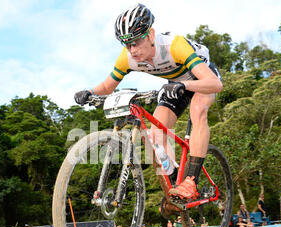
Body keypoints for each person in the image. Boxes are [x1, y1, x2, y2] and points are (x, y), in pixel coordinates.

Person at [74, 3, 223, 205]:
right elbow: (108, 86)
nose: (133, 50)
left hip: (202, 78)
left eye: (136, 42)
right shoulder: (127, 58)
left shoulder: (174, 46)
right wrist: (90, 92)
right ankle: (174, 181)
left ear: (151, 35)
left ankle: (191, 181)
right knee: (154, 135)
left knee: (197, 111)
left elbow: (215, 84)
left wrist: (183, 84)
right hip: (175, 84)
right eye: (127, 45)